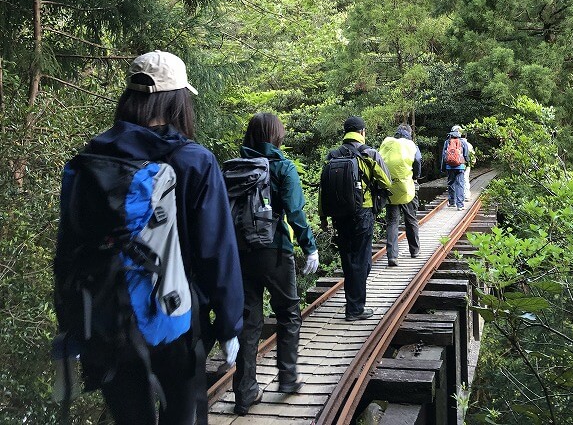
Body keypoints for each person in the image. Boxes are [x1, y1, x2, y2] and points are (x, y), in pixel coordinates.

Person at [54, 50, 243, 425]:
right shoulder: (194, 160)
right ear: (179, 101)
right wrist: (230, 325)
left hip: (105, 320)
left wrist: (72, 326)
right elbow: (216, 252)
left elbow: (67, 253)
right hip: (176, 320)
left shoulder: (90, 161)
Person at [232, 113, 320, 414]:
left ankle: (244, 393)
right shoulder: (282, 167)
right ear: (276, 135)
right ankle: (287, 378)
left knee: (249, 321)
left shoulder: (232, 168)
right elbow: (295, 212)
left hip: (240, 253)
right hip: (275, 251)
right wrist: (310, 248)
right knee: (288, 313)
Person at [320, 116, 392, 321]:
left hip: (338, 214)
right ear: (362, 132)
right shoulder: (369, 154)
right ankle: (355, 309)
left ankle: (353, 302)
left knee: (348, 258)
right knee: (362, 260)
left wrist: (324, 217)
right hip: (362, 212)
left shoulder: (332, 156)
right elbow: (386, 181)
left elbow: (323, 189)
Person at [379, 124, 422, 266]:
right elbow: (417, 161)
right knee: (411, 218)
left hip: (390, 188)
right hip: (407, 187)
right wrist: (415, 176)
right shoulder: (411, 145)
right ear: (409, 133)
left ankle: (392, 256)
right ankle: (414, 250)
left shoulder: (387, 143)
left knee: (392, 222)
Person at [441, 124, 470, 210]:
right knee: (460, 184)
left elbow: (444, 156)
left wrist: (443, 168)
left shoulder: (447, 142)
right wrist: (466, 163)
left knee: (451, 183)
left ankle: (452, 202)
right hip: (460, 166)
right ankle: (460, 205)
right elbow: (466, 155)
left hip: (449, 167)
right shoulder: (463, 142)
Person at [462, 132, 475, 201]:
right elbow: (473, 156)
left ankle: (457, 196)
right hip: (466, 164)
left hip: (456, 164)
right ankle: (466, 195)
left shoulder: (456, 143)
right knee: (465, 178)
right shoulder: (469, 145)